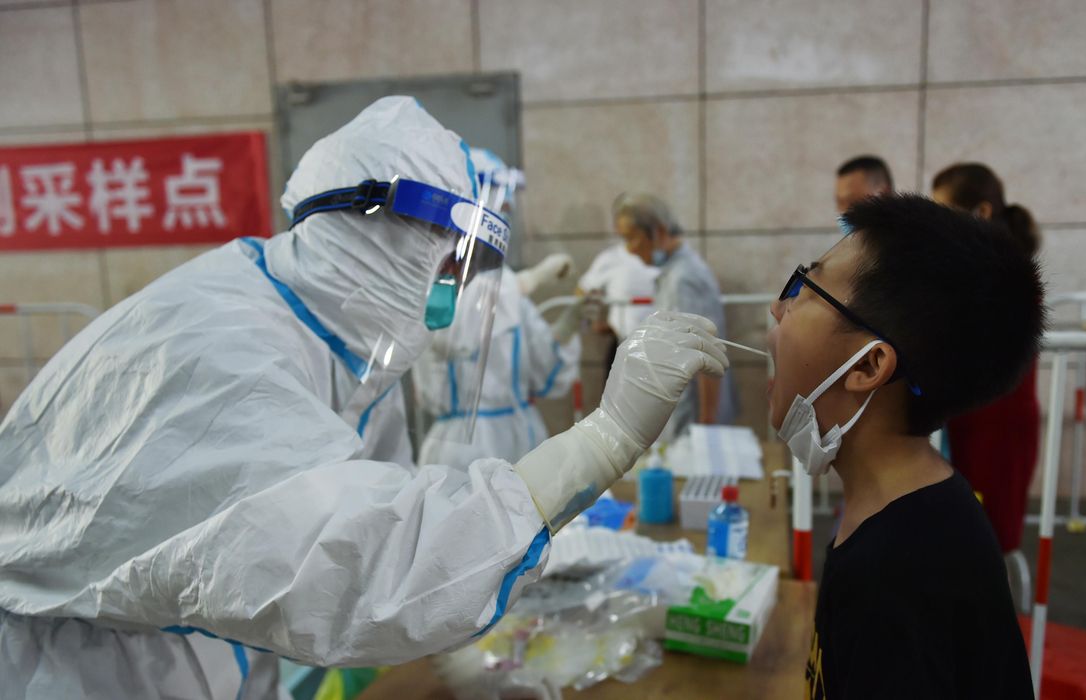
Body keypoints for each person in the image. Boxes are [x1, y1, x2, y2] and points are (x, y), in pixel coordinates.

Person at [0, 97, 728, 699]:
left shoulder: (325, 332)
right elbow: (364, 570)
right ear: (374, 237)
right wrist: (603, 438)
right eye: (442, 263)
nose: (450, 287)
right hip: (83, 672)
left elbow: (375, 490)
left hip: (182, 655)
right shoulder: (216, 352)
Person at [770, 195, 1043, 699]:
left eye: (805, 289)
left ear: (868, 366)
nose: (777, 308)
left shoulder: (896, 575)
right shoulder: (903, 511)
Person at [414, 149, 583, 469]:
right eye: (498, 209)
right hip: (463, 447)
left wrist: (565, 330)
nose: (503, 221)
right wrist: (528, 281)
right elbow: (454, 334)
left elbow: (546, 379)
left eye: (507, 210)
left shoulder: (508, 293)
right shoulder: (437, 279)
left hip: (524, 436)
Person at [930, 163, 1041, 558]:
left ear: (981, 212)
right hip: (970, 411)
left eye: (945, 211)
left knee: (988, 535)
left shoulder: (1006, 269)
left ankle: (988, 613)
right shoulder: (973, 265)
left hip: (999, 419)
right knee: (960, 527)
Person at [613, 192, 735, 440]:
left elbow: (706, 352)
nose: (629, 249)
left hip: (694, 416)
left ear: (658, 231)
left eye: (632, 238)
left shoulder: (684, 279)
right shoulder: (672, 274)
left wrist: (706, 424)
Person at [577, 241, 658, 374]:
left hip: (661, 344)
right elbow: (583, 290)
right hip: (623, 341)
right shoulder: (612, 258)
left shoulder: (666, 258)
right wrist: (592, 321)